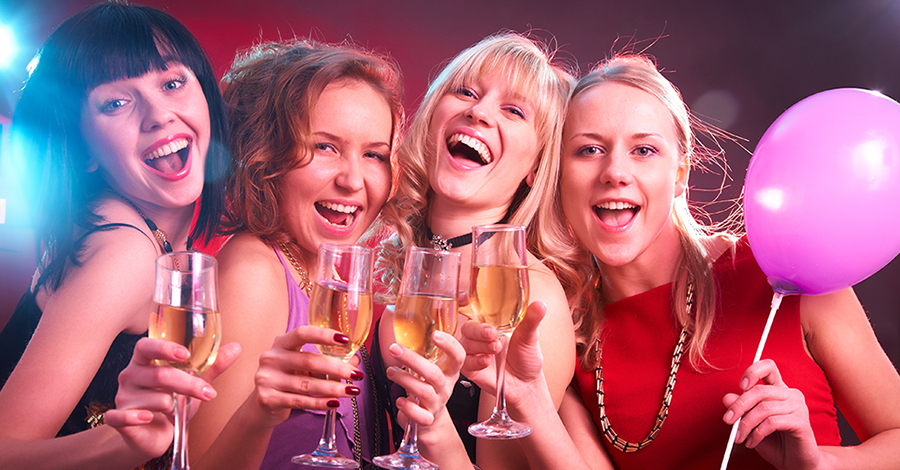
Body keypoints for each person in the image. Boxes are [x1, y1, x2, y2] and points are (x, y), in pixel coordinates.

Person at [460, 53, 900, 470]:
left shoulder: (786, 274)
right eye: (589, 150)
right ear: (556, 176)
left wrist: (822, 463)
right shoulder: (563, 332)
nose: (614, 172)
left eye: (644, 150)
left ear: (680, 175)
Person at [0, 2, 235, 469]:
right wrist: (123, 445)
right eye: (115, 103)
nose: (158, 115)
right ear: (84, 148)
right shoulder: (124, 249)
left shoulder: (147, 234)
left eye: (172, 83)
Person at [175, 40, 402, 469]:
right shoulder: (254, 272)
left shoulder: (331, 279)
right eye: (324, 147)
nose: (353, 180)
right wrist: (259, 414)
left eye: (374, 154)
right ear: (264, 156)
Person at [374, 32, 575, 470]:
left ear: (536, 165)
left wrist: (434, 427)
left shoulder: (529, 297)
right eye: (465, 91)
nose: (478, 112)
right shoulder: (396, 257)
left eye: (514, 110)